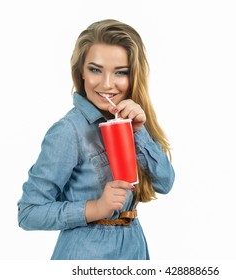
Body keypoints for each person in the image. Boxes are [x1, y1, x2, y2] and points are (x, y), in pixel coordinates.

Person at [17, 19, 175, 260]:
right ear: (80, 71)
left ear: (134, 76)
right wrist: (96, 208)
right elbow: (28, 213)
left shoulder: (131, 122)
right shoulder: (68, 131)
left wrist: (139, 132)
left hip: (134, 249)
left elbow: (165, 183)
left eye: (120, 72)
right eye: (95, 69)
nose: (107, 84)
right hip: (86, 256)